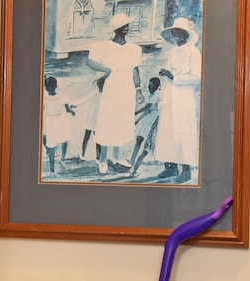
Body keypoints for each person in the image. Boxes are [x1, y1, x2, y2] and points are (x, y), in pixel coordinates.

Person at [86, 13, 144, 175]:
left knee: (122, 120)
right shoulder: (105, 46)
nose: (127, 27)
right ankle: (103, 159)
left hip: (127, 88)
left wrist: (138, 91)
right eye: (124, 25)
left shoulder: (134, 49)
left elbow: (135, 70)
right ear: (117, 29)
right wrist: (106, 70)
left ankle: (117, 156)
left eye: (127, 25)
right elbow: (90, 61)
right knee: (108, 121)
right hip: (112, 86)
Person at [154, 17, 201, 184]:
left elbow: (196, 77)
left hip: (184, 97)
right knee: (168, 130)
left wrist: (175, 77)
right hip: (170, 95)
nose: (175, 34)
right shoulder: (172, 52)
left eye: (179, 31)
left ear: (186, 34)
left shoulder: (193, 52)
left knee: (183, 131)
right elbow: (168, 73)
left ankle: (186, 169)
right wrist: (165, 76)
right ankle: (171, 166)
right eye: (174, 31)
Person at [42, 76, 74, 174]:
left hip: (50, 120)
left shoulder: (43, 98)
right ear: (56, 86)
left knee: (51, 144)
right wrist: (72, 111)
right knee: (64, 140)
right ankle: (62, 159)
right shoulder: (62, 96)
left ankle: (52, 169)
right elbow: (68, 109)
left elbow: (42, 109)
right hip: (60, 120)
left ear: (45, 87)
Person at [130, 77, 161, 175]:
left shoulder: (156, 95)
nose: (149, 87)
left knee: (147, 146)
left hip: (153, 122)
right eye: (149, 84)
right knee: (139, 140)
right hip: (147, 120)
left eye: (151, 85)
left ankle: (134, 165)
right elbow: (148, 110)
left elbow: (148, 107)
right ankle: (132, 161)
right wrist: (138, 119)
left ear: (156, 86)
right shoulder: (151, 95)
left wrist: (137, 112)